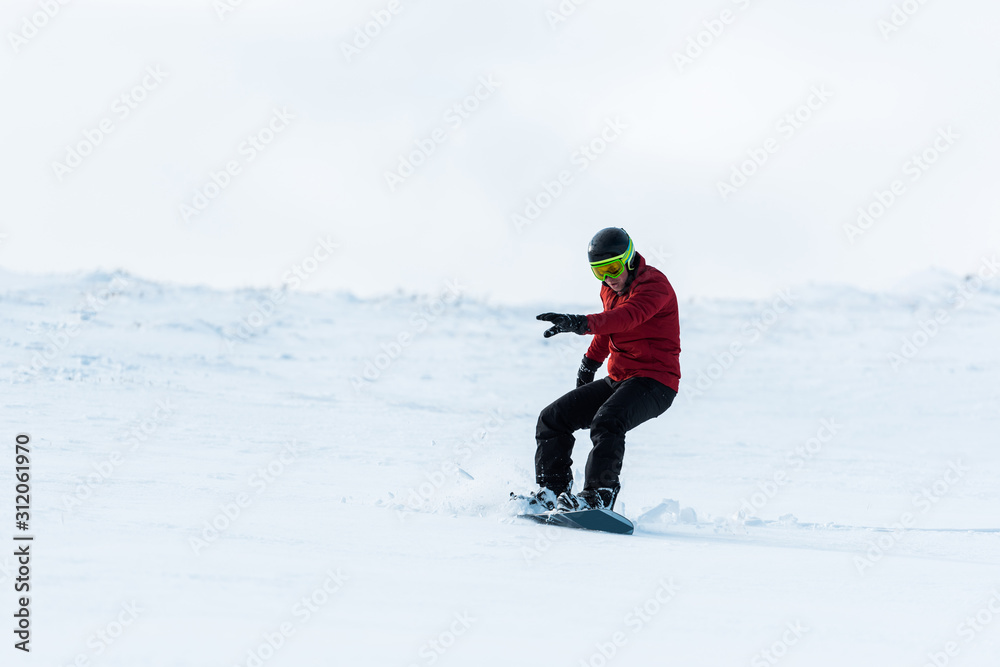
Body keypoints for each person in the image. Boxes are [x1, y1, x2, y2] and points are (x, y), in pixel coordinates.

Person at [521, 227, 681, 513]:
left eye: (613, 268)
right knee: (552, 419)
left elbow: (626, 318)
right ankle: (551, 492)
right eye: (599, 272)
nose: (608, 277)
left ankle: (599, 495)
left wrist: (580, 323)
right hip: (620, 378)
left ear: (630, 259)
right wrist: (589, 364)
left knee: (607, 421)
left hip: (655, 382)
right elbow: (609, 327)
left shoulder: (655, 286)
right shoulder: (609, 288)